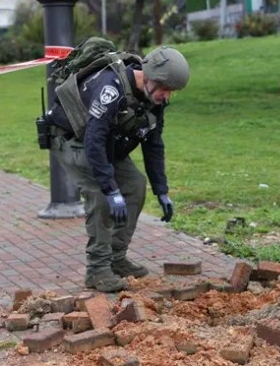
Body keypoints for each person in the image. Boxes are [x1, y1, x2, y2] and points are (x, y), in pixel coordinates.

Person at [46, 44, 190, 293]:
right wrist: (111, 189)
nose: (167, 96)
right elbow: (93, 142)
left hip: (105, 143)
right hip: (72, 140)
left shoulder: (154, 99)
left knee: (134, 185)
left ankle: (116, 257)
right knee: (100, 196)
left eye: (171, 92)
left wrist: (161, 190)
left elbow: (153, 144)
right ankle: (97, 270)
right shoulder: (110, 88)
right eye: (166, 89)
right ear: (149, 78)